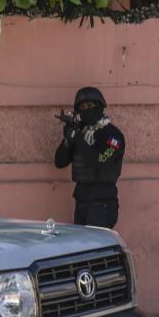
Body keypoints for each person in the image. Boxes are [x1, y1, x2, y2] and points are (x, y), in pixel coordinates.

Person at [53, 87, 125, 228]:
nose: (86, 109)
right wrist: (68, 139)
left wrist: (77, 138)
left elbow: (100, 161)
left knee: (97, 247)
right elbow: (59, 162)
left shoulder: (112, 135)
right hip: (81, 200)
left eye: (90, 106)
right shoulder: (80, 132)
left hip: (102, 202)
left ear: (99, 106)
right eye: (82, 107)